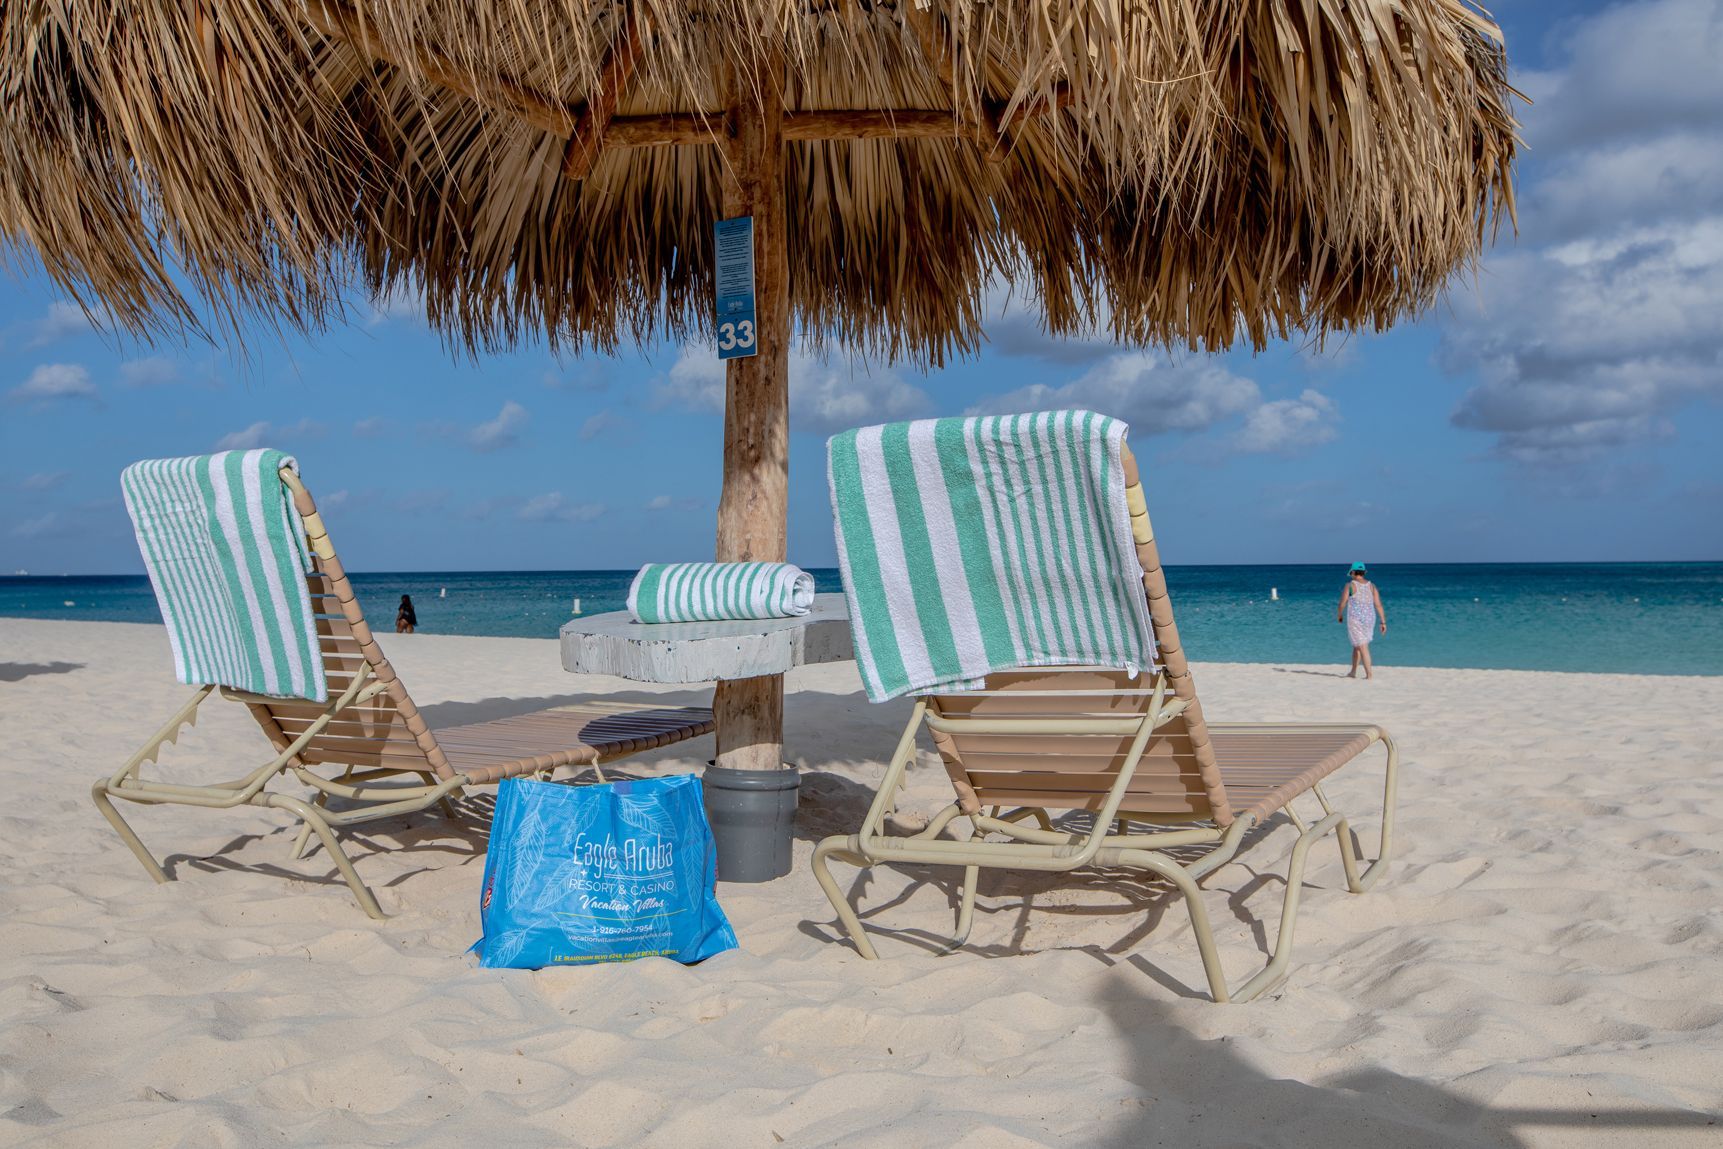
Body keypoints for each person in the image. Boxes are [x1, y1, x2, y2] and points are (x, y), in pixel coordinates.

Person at [1336, 562, 1385, 679]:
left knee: (1362, 646)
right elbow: (1378, 605)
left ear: (1353, 572)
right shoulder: (1372, 586)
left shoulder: (1350, 585)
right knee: (1357, 645)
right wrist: (1383, 621)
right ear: (1363, 573)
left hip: (1356, 620)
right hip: (1370, 619)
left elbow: (1342, 603)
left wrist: (1339, 615)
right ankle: (1353, 672)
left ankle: (1369, 675)